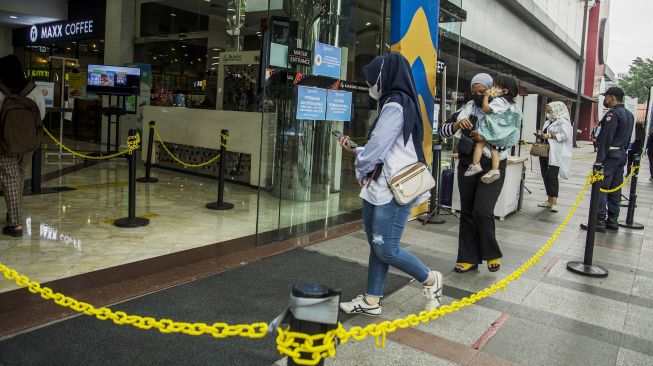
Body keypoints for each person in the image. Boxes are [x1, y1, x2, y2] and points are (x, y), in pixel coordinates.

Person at [337, 53, 443, 316]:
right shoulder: (398, 102)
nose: (371, 84)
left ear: (384, 77)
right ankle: (372, 301)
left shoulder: (396, 104)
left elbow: (377, 148)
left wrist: (360, 165)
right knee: (377, 244)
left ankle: (430, 279)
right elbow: (390, 147)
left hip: (392, 189)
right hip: (382, 185)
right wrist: (358, 150)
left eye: (373, 79)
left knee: (386, 248)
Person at [441, 73, 518, 273]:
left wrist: (486, 136)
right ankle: (468, 258)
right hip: (468, 163)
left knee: (483, 210)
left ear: (491, 89)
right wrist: (458, 124)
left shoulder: (504, 109)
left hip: (494, 164)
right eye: (474, 92)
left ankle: (491, 253)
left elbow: (511, 135)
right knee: (467, 211)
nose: (477, 95)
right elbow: (443, 131)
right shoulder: (465, 110)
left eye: (481, 91)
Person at [0, 54, 46, 237]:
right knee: (18, 177)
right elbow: (41, 114)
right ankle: (13, 211)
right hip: (29, 144)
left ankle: (16, 224)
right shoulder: (33, 90)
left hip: (5, 143)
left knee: (10, 178)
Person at [581, 86, 634, 233]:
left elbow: (606, 138)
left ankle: (599, 220)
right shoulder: (629, 115)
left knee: (602, 188)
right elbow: (628, 138)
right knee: (615, 189)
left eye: (606, 97)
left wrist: (599, 159)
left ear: (612, 97)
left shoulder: (612, 114)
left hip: (610, 156)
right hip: (621, 155)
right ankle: (612, 219)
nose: (605, 100)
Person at [464, 75, 522, 184]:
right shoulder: (511, 104)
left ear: (504, 90)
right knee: (494, 150)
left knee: (480, 144)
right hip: (499, 136)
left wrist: (486, 97)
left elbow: (486, 109)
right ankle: (495, 170)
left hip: (491, 130)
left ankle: (475, 165)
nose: (492, 88)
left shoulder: (498, 101)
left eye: (495, 86)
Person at [536, 101, 573, 213]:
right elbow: (545, 133)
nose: (548, 113)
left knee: (552, 176)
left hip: (556, 153)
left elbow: (565, 136)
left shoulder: (563, 121)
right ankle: (548, 200)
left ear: (557, 110)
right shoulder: (548, 122)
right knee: (545, 175)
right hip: (545, 151)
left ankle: (554, 202)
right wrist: (541, 135)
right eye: (547, 111)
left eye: (550, 111)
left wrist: (550, 135)